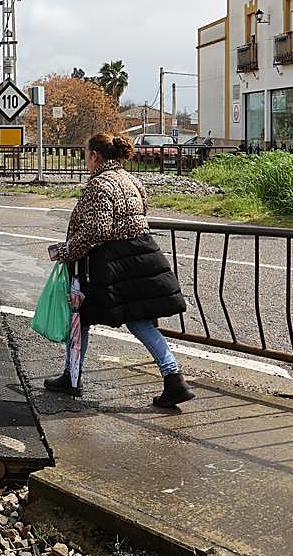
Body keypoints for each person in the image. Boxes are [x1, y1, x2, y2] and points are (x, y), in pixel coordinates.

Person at [44, 132, 194, 407]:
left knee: (82, 317)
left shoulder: (100, 185)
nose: (85, 160)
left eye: (85, 154)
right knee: (139, 321)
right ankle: (174, 378)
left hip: (111, 265)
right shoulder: (131, 180)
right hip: (140, 257)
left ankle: (72, 377)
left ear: (95, 156)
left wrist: (66, 252)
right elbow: (141, 215)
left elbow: (98, 229)